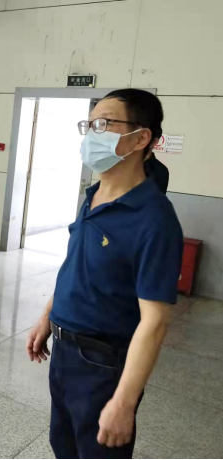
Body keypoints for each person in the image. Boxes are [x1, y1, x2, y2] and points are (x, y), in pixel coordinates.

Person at [26, 89, 183, 459]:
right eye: (89, 124)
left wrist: (124, 402)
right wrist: (48, 316)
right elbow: (76, 265)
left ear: (141, 138)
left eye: (104, 123)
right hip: (63, 351)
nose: (91, 133)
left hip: (102, 363)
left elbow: (155, 322)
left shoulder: (154, 219)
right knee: (63, 446)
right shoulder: (93, 195)